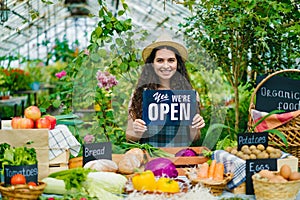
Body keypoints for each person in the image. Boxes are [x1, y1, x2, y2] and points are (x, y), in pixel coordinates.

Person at [126, 33, 205, 147]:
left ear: (177, 64)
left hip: (181, 160)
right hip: (150, 160)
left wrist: (194, 127)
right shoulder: (140, 94)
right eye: (160, 60)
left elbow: (195, 138)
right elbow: (129, 137)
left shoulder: (189, 94)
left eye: (171, 60)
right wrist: (137, 132)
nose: (166, 65)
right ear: (152, 64)